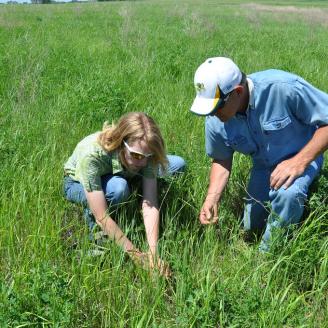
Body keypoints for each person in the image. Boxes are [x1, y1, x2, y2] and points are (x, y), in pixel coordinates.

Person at [190, 57, 328, 251]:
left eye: (216, 107)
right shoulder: (215, 119)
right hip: (263, 167)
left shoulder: (283, 88)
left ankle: (266, 259)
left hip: (302, 156)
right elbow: (221, 159)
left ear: (237, 92)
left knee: (288, 195)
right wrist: (212, 198)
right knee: (251, 227)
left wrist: (299, 161)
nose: (212, 114)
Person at [63, 112, 185, 275]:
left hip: (125, 170)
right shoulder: (92, 156)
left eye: (148, 156)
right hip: (76, 183)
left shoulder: (144, 155)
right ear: (121, 142)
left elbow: (150, 203)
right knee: (119, 189)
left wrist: (153, 253)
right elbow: (102, 216)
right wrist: (136, 255)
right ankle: (98, 241)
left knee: (178, 165)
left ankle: (133, 184)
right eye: (136, 155)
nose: (142, 162)